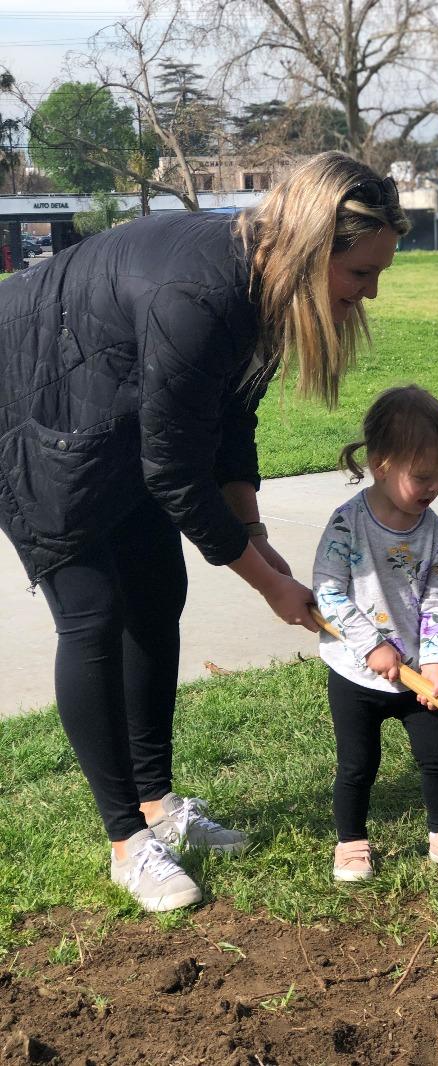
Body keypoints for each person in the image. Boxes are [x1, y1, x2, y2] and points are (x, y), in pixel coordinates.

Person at [0, 152, 409, 911]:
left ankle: (157, 803)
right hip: (33, 397)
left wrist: (252, 529)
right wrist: (268, 583)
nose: (368, 294)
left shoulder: (267, 284)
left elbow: (230, 419)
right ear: (315, 249)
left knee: (157, 593)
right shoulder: (202, 294)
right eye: (360, 275)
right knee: (92, 616)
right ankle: (129, 842)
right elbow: (177, 478)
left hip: (113, 399)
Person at [313, 386, 438, 882]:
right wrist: (371, 646)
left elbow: (437, 601)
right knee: (357, 763)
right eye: (424, 475)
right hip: (355, 673)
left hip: (415, 674)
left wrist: (434, 662)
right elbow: (327, 592)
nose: (434, 486)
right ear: (381, 463)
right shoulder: (349, 525)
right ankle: (350, 841)